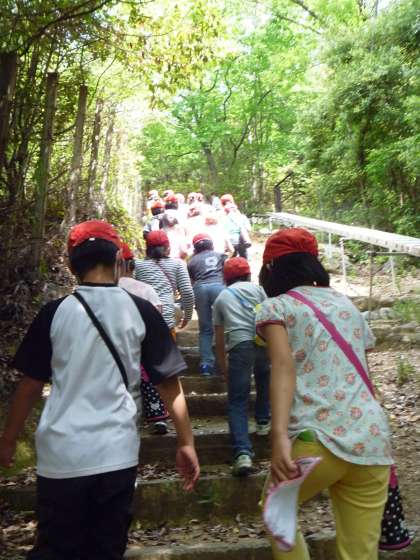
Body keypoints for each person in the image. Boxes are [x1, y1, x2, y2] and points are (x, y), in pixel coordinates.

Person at [0, 220, 199, 560]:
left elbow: (30, 385)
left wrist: (8, 440)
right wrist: (186, 443)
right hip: (115, 453)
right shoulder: (141, 310)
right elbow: (168, 384)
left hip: (60, 454)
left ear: (70, 265)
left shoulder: (54, 313)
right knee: (107, 548)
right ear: (119, 260)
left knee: (55, 548)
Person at [256, 227, 392, 560]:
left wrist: (278, 435)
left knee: (275, 511)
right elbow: (365, 374)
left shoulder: (277, 307)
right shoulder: (347, 305)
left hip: (319, 437)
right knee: (360, 553)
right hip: (372, 440)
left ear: (271, 267)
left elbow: (283, 366)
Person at [213, 257, 270, 476]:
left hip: (238, 346)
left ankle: (243, 453)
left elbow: (219, 339)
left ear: (226, 278)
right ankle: (263, 421)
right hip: (262, 342)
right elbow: (270, 316)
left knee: (237, 399)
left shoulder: (222, 297)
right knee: (264, 379)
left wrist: (223, 367)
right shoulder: (259, 290)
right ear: (248, 274)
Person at [119, 242, 169, 435]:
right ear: (132, 265)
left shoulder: (101, 294)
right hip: (143, 345)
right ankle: (158, 417)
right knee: (150, 382)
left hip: (116, 348)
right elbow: (158, 319)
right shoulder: (146, 289)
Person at [134, 230, 194, 333]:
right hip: (166, 322)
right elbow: (187, 292)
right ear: (167, 247)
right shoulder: (178, 264)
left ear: (147, 248)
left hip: (143, 321)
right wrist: (187, 317)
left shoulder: (137, 265)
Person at [187, 233, 226, 376]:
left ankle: (206, 364)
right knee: (225, 325)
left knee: (205, 329)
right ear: (211, 244)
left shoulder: (192, 261)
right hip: (219, 286)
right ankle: (226, 360)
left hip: (200, 289)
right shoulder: (221, 255)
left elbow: (191, 281)